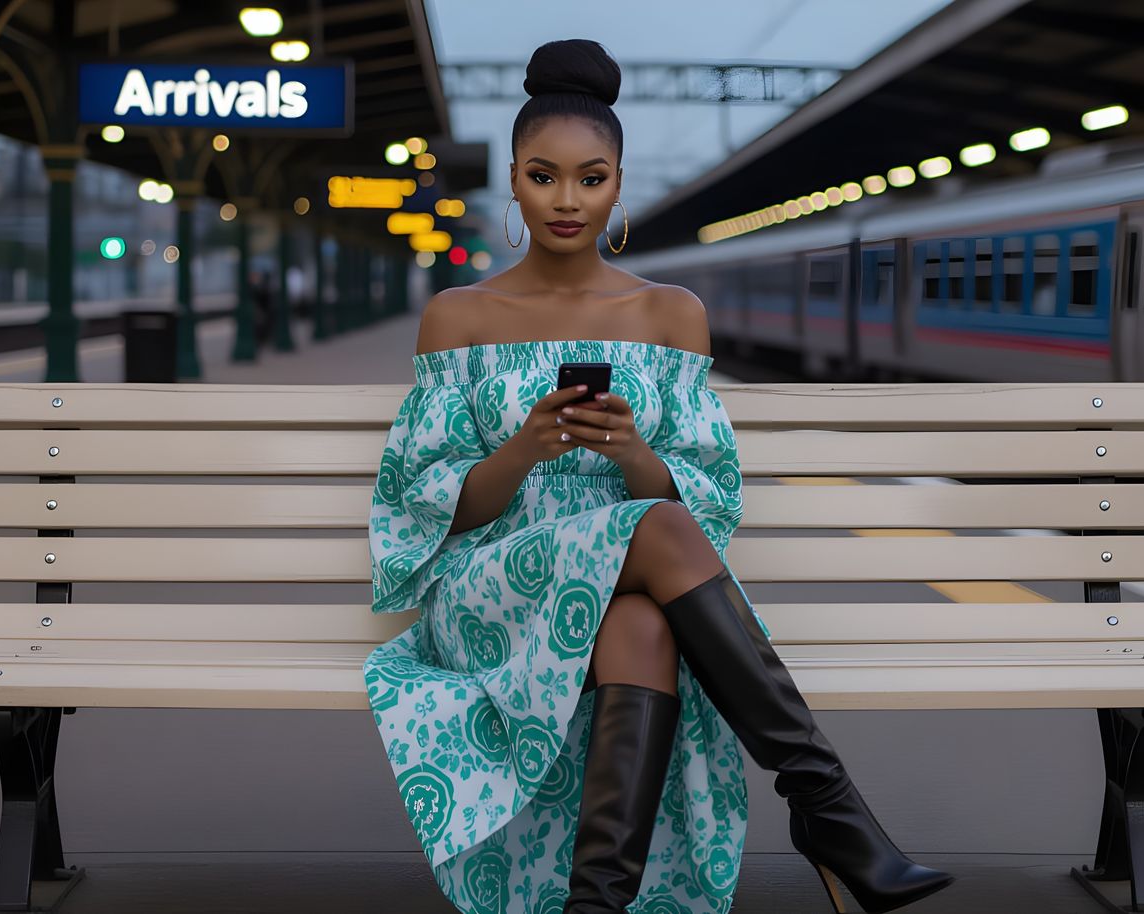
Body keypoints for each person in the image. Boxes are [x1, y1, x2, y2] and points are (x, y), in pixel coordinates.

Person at [364, 39, 954, 914]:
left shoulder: (671, 313)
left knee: (643, 620)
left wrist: (634, 454)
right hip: (496, 594)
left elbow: (708, 494)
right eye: (543, 176)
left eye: (590, 178)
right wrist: (525, 446)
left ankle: (595, 903)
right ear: (515, 185)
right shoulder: (459, 316)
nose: (568, 201)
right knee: (654, 533)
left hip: (635, 578)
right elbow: (427, 509)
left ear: (619, 184)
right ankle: (827, 808)